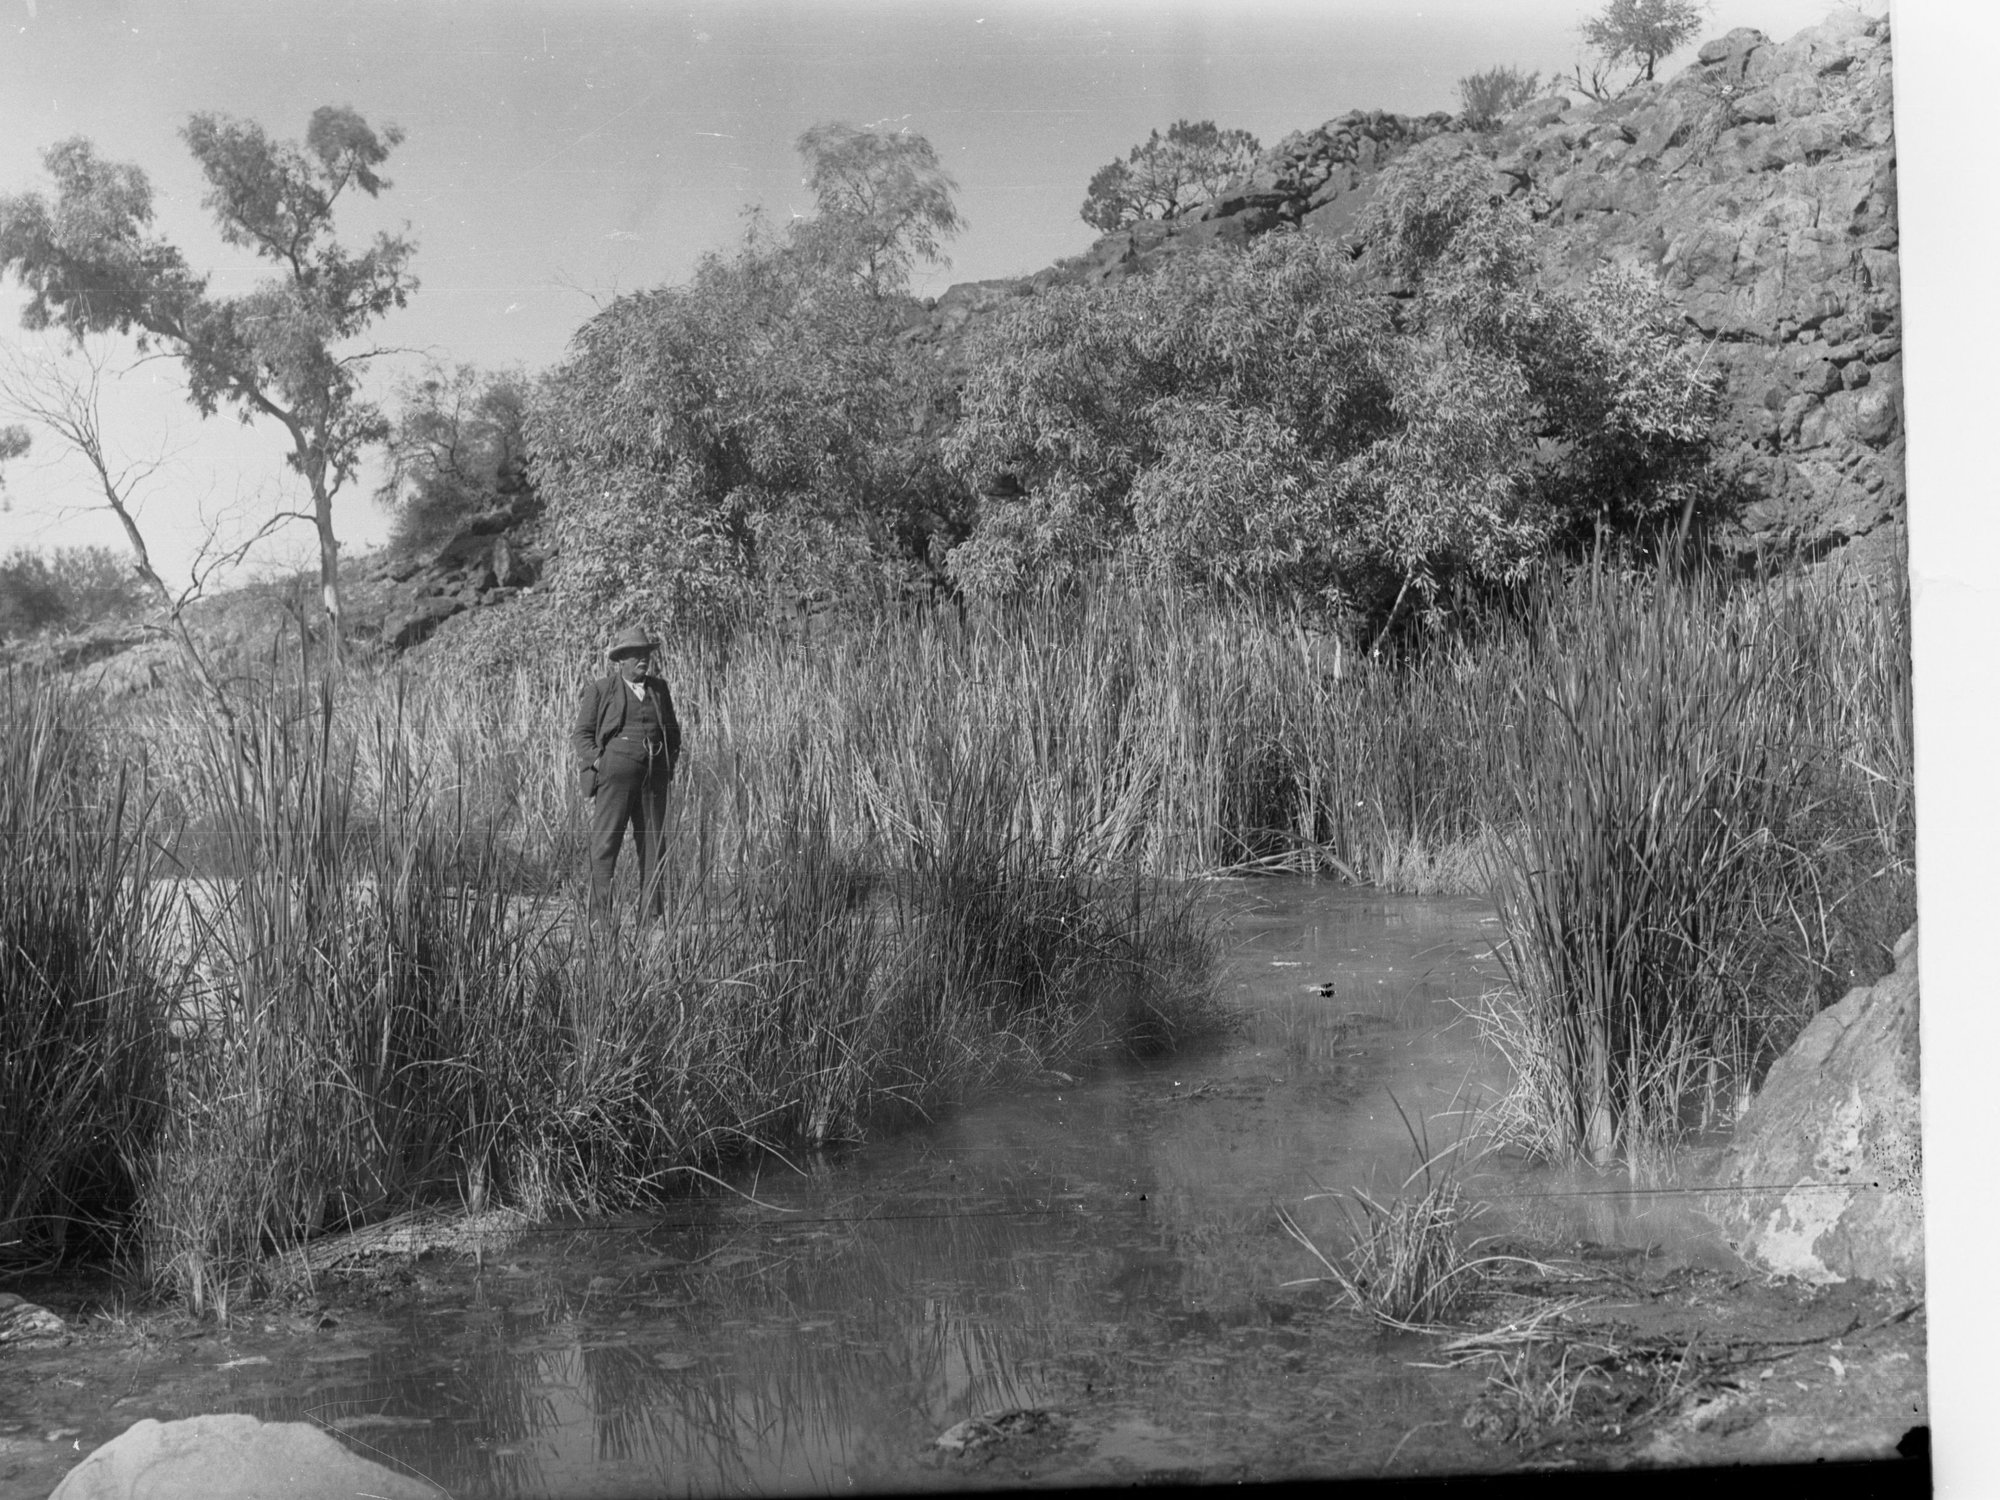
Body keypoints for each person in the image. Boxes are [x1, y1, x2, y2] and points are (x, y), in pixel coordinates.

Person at [572, 626, 682, 920]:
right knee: (605, 845)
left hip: (653, 778)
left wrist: (667, 767)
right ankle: (599, 919)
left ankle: (652, 917)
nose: (642, 659)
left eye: (645, 653)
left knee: (653, 845)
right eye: (635, 654)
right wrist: (600, 762)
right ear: (621, 660)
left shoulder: (660, 689)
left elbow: (673, 733)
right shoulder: (601, 689)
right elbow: (581, 735)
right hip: (614, 777)